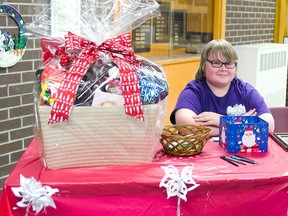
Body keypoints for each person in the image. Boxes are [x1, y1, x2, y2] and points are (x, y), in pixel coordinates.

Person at [170, 39, 275, 136]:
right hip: (205, 155)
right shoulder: (194, 91)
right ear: (203, 66)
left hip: (239, 153)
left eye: (228, 63)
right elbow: (185, 127)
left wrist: (223, 120)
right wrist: (241, 123)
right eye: (216, 63)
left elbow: (269, 126)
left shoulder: (245, 91)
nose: (223, 68)